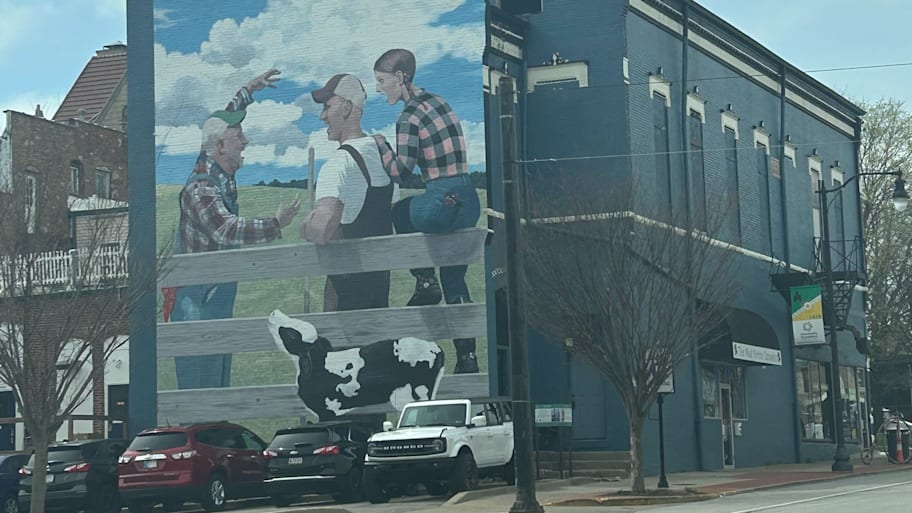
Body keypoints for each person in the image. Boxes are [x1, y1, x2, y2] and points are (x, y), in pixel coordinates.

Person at [166, 69, 301, 389]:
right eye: (239, 135)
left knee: (219, 375)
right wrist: (275, 223)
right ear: (221, 146)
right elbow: (225, 230)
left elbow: (222, 117)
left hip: (213, 297)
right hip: (196, 303)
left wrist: (249, 89)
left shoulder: (215, 161)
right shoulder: (201, 188)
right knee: (202, 383)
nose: (246, 141)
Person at [372, 49, 481, 374]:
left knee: (400, 212)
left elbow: (401, 171)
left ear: (401, 78)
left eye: (381, 81)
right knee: (456, 280)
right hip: (468, 201)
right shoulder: (439, 101)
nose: (378, 89)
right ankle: (468, 359)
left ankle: (424, 282)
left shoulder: (408, 116)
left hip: (439, 201)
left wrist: (380, 145)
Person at [301, 73, 395, 311]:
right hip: (379, 296)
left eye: (327, 107)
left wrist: (304, 224)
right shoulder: (382, 154)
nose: (323, 116)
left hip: (346, 304)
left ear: (347, 107)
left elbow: (320, 231)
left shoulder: (339, 164)